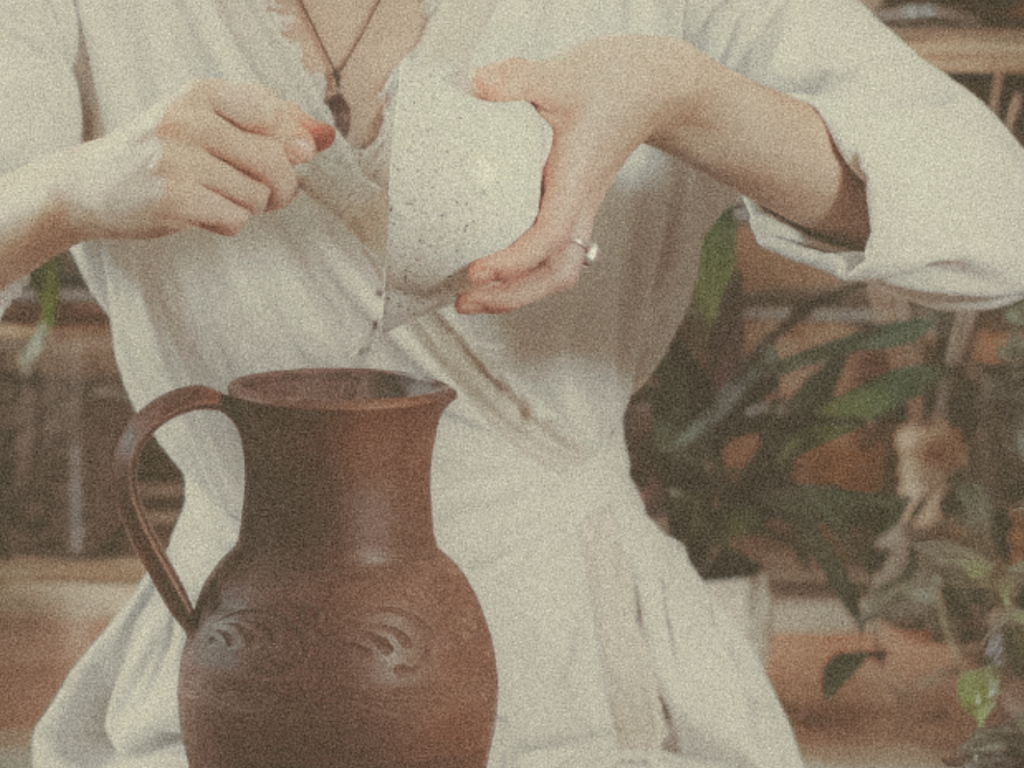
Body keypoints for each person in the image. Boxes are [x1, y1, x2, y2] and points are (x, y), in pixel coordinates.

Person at [3, 0, 1024, 766]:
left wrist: (687, 98)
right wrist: (66, 189)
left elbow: (995, 223)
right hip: (225, 664)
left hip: (584, 658)